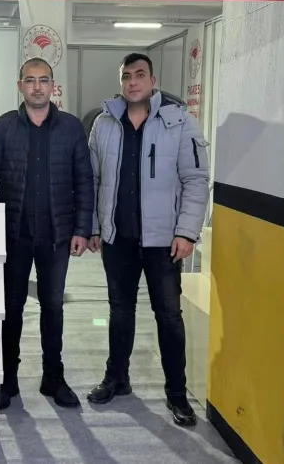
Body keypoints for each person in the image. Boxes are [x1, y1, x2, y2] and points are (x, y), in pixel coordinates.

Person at [85, 53, 210, 427]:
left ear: (153, 81)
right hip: (118, 239)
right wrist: (94, 226)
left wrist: (186, 232)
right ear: (121, 82)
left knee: (169, 316)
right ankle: (117, 378)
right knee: (120, 311)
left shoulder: (180, 122)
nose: (133, 82)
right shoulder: (104, 124)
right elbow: (92, 181)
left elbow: (195, 180)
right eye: (127, 76)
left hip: (163, 241)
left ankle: (177, 394)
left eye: (140, 75)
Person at [0, 58, 94, 410]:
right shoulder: (3, 127)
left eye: (43, 80)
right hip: (14, 234)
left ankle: (53, 377)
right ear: (20, 86)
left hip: (57, 235)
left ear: (52, 86)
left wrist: (82, 228)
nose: (37, 87)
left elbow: (84, 181)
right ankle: (7, 378)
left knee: (53, 307)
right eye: (30, 80)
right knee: (11, 307)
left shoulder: (71, 128)